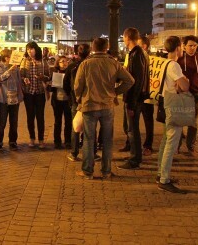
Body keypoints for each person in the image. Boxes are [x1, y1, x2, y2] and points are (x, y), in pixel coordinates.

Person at [75, 38, 134, 179]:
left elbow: (77, 86)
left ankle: (88, 171)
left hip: (89, 105)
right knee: (107, 139)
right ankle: (106, 171)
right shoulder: (113, 63)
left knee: (89, 139)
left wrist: (80, 98)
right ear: (106, 47)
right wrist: (115, 92)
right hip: (107, 105)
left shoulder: (86, 64)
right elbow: (130, 81)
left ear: (93, 48)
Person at [157, 36, 190, 194]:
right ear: (178, 47)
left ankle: (160, 174)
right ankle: (164, 179)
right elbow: (184, 86)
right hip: (173, 106)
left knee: (165, 140)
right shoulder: (174, 65)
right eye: (182, 46)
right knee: (172, 142)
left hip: (164, 102)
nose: (183, 49)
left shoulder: (163, 62)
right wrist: (185, 80)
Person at [118, 27, 150, 170]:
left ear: (127, 38)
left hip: (134, 99)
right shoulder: (139, 53)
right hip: (136, 98)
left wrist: (131, 103)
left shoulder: (136, 54)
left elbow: (136, 80)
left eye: (124, 38)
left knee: (132, 129)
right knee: (131, 128)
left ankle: (135, 159)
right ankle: (134, 154)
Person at [177, 35, 198, 153]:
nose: (192, 48)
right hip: (181, 94)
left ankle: (190, 145)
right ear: (184, 46)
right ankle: (177, 145)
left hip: (195, 94)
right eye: (190, 45)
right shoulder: (179, 59)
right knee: (178, 120)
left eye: (195, 46)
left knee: (192, 121)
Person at [20, 41, 50, 149]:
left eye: (31, 49)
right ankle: (32, 138)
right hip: (29, 92)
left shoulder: (42, 61)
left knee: (40, 116)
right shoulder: (24, 61)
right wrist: (24, 79)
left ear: (36, 49)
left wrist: (43, 77)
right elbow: (21, 75)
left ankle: (41, 139)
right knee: (30, 116)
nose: (29, 51)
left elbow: (48, 75)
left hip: (40, 92)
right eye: (28, 49)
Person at [63, 43, 91, 161]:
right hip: (89, 100)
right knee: (90, 127)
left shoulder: (72, 66)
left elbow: (65, 84)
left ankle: (74, 152)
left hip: (76, 101)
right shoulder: (91, 65)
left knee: (76, 126)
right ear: (89, 53)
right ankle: (90, 152)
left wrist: (71, 97)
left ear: (78, 53)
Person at [0, 49, 24, 151]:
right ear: (6, 57)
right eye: (9, 57)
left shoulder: (16, 68)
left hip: (14, 98)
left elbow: (19, 81)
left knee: (14, 121)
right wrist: (10, 70)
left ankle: (13, 141)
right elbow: (0, 78)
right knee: (2, 121)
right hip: (3, 98)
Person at [50, 56, 72, 149]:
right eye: (61, 61)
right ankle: (57, 141)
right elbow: (51, 88)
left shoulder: (70, 73)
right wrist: (50, 84)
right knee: (57, 121)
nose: (64, 63)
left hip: (67, 100)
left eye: (65, 61)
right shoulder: (55, 73)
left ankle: (68, 141)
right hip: (57, 100)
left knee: (68, 122)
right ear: (58, 63)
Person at [138, 36, 154, 156]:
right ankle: (130, 143)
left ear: (144, 46)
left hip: (148, 95)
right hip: (136, 95)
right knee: (131, 123)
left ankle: (148, 145)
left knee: (148, 121)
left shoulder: (153, 60)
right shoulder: (133, 57)